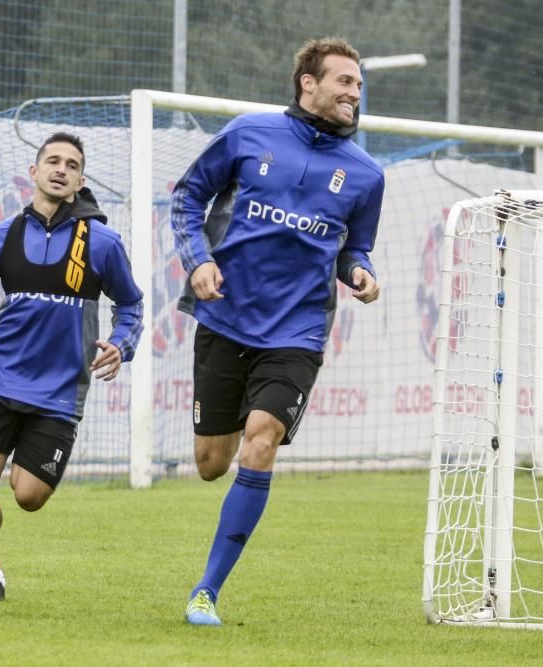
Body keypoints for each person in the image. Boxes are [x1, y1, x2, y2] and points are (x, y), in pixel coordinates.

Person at [170, 37, 383, 625]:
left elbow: (354, 247)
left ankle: (206, 592)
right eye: (344, 81)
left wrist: (361, 272)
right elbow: (187, 196)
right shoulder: (247, 134)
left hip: (298, 332)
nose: (354, 92)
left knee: (261, 439)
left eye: (359, 85)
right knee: (212, 462)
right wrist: (198, 260)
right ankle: (237, 417)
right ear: (307, 84)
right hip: (226, 318)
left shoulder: (366, 174)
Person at [0, 132, 144, 603]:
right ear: (35, 173)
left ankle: (2, 513)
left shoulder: (102, 242)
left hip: (60, 391)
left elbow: (131, 304)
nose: (61, 169)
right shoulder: (3, 236)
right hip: (0, 377)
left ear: (80, 180)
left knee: (28, 496)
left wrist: (122, 345)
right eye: (53, 161)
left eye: (71, 164)